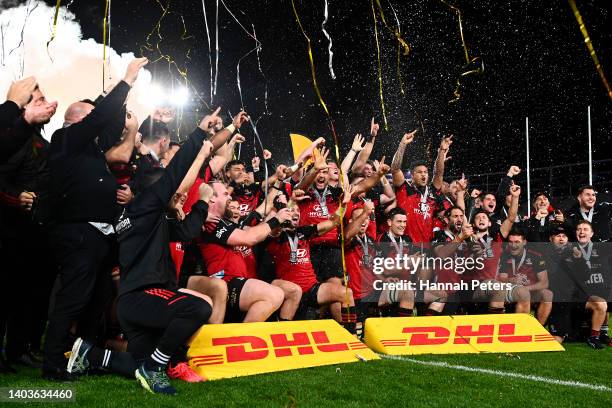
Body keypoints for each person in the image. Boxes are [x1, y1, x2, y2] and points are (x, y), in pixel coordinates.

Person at [66, 108, 223, 394]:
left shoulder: (135, 217)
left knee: (138, 361)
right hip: (145, 295)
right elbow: (176, 172)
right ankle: (155, 368)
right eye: (166, 190)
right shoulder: (149, 205)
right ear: (155, 192)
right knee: (199, 307)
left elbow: (186, 232)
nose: (172, 193)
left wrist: (192, 207)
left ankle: (91, 354)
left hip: (129, 301)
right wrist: (199, 133)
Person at [43, 58, 148, 380]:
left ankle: (84, 356)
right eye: (91, 116)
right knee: (73, 299)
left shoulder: (90, 151)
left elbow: (108, 120)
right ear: (77, 120)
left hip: (101, 237)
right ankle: (53, 364)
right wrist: (126, 81)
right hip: (78, 233)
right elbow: (101, 118)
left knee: (98, 300)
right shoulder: (65, 139)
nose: (99, 122)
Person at [498, 229, 553, 324]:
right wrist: (512, 280)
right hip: (509, 292)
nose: (513, 245)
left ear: (524, 242)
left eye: (517, 242)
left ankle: (537, 329)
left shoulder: (535, 256)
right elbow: (501, 279)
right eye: (510, 242)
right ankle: (520, 330)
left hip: (530, 292)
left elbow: (544, 283)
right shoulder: (504, 256)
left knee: (547, 294)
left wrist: (526, 288)